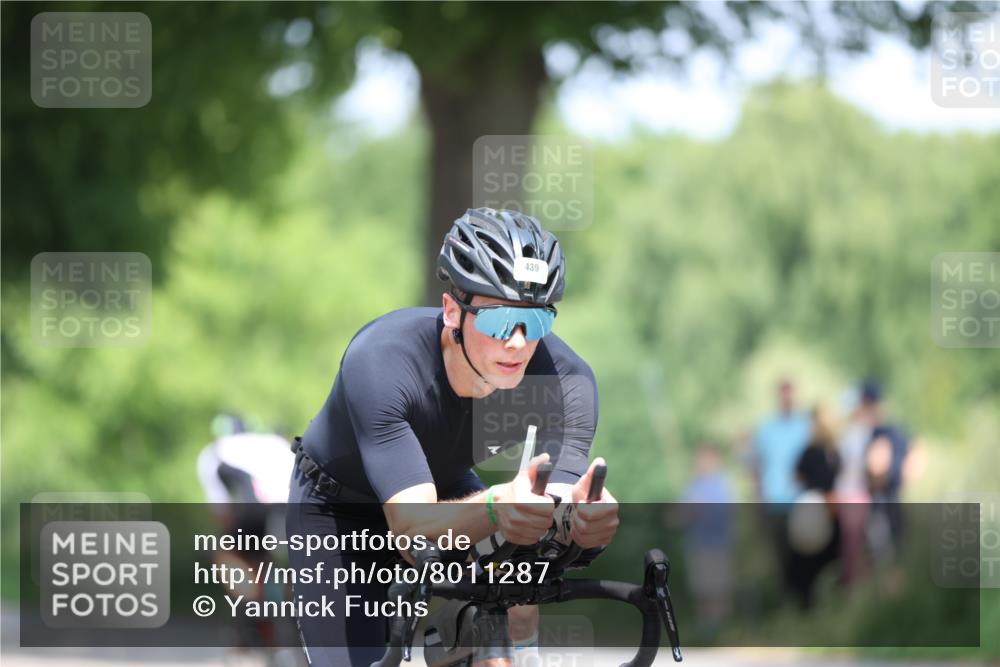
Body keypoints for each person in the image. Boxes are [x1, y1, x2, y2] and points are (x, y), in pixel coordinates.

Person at [286, 208, 618, 667]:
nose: (518, 343)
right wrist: (495, 506)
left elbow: (556, 506)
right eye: (499, 321)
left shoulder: (566, 381)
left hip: (445, 488)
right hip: (338, 509)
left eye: (537, 322)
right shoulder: (382, 361)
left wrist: (578, 524)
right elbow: (410, 532)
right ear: (451, 312)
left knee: (516, 595)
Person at [751, 379, 810, 598]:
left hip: (801, 499)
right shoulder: (766, 429)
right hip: (775, 500)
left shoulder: (805, 425)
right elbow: (757, 465)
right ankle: (788, 598)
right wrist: (758, 497)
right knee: (781, 552)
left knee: (804, 549)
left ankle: (805, 597)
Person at [677, 443, 734, 639]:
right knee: (701, 589)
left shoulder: (721, 485)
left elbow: (719, 513)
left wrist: (695, 512)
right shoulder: (693, 485)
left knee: (717, 588)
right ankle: (705, 630)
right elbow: (682, 513)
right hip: (697, 544)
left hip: (716, 545)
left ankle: (720, 631)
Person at [788, 405, 842, 610]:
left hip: (820, 510)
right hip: (824, 510)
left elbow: (798, 477)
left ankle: (810, 605)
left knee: (811, 561)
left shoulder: (815, 452)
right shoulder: (829, 452)